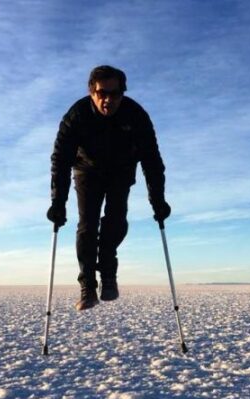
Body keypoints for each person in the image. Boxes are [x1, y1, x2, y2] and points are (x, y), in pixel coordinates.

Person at [47, 65, 171, 311]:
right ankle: (88, 286)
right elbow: (60, 160)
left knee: (116, 221)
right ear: (92, 92)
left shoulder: (136, 116)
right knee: (88, 225)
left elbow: (151, 160)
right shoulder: (77, 115)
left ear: (123, 93)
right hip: (87, 171)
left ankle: (108, 273)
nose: (108, 99)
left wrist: (158, 198)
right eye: (102, 93)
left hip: (121, 171)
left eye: (115, 94)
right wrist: (58, 202)